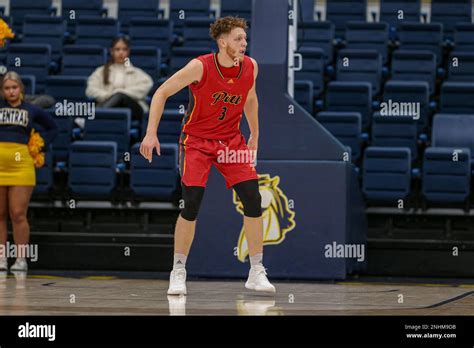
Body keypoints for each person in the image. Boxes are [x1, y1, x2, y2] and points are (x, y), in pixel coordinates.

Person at [140, 16, 275, 295]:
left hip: (231, 142)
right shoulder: (199, 67)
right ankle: (178, 271)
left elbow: (250, 98)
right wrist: (150, 133)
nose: (244, 43)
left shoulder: (251, 67)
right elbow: (161, 93)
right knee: (191, 203)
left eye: (245, 39)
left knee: (253, 196)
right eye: (238, 39)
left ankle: (256, 271)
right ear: (222, 41)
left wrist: (255, 134)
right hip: (198, 142)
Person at [0, 72, 58, 272]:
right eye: (7, 88)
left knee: (17, 213)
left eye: (14, 87)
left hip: (21, 164)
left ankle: (21, 259)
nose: (11, 91)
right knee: (0, 214)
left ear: (21, 89)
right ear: (2, 91)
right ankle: (1, 258)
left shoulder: (31, 109)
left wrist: (40, 146)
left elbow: (52, 127)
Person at [86, 36, 154, 121]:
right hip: (109, 107)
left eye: (124, 49)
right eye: (117, 49)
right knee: (117, 97)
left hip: (133, 110)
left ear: (128, 52)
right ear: (112, 51)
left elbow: (147, 85)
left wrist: (120, 93)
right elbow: (90, 90)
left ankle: (92, 120)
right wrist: (109, 96)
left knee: (120, 96)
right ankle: (97, 118)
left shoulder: (137, 73)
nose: (121, 52)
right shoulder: (101, 71)